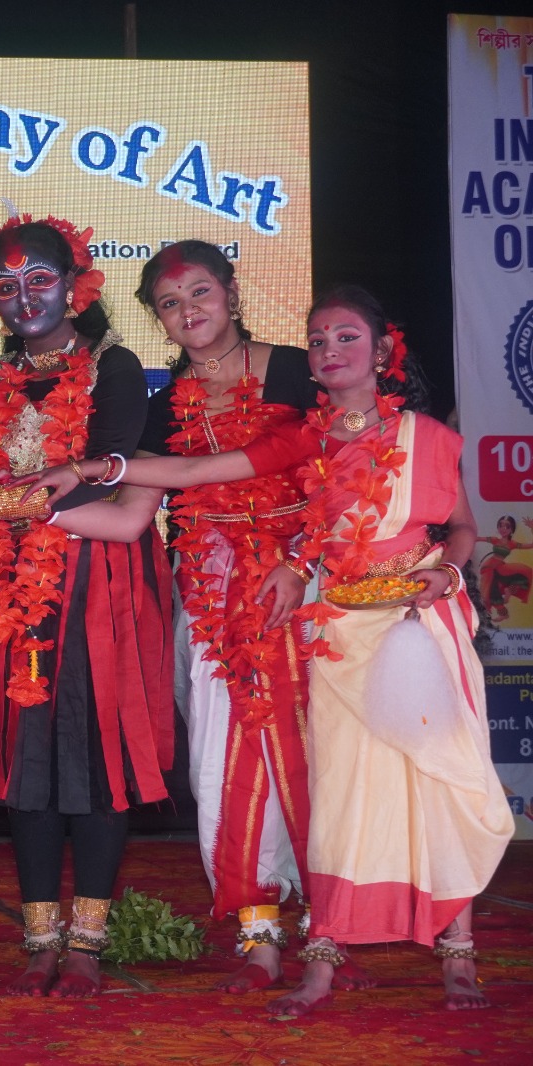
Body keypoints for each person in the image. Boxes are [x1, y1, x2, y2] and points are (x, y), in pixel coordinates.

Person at [20, 284, 516, 1016]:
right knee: (343, 798)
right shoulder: (309, 438)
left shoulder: (429, 437)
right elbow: (196, 473)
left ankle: (459, 957)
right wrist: (96, 471)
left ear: (383, 349)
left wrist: (448, 572)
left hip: (423, 625)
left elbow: (463, 527)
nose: (330, 351)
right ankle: (321, 956)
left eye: (346, 338)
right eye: (318, 341)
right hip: (340, 633)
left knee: (441, 785)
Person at [0, 212, 173, 999]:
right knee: (23, 757)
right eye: (6, 286)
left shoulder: (113, 367)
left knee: (94, 756)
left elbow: (104, 474)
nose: (24, 298)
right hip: (7, 588)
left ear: (76, 286)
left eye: (40, 280)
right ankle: (39, 939)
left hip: (97, 583)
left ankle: (85, 943)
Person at [133, 240, 319, 992]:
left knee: (322, 754)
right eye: (170, 303)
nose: (188, 311)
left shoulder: (298, 370)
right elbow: (133, 509)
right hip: (211, 601)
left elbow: (354, 470)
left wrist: (300, 563)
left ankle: (333, 923)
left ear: (234, 294)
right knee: (221, 756)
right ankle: (258, 930)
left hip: (307, 584)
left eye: (200, 293)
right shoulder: (162, 406)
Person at [476, 515, 531, 623]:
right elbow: (478, 538)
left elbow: (531, 545)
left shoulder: (512, 544)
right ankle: (504, 614)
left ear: (512, 530)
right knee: (491, 591)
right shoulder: (495, 540)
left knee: (522, 576)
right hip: (489, 568)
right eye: (500, 525)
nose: (503, 529)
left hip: (500, 568)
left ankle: (509, 591)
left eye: (507, 526)